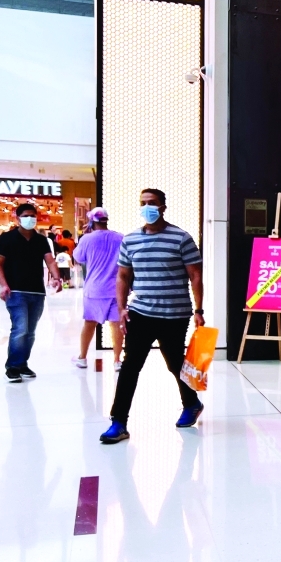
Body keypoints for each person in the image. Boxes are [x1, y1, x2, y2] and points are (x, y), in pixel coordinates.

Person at [100, 189, 205, 444]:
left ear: (163, 207)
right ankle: (118, 422)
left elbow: (195, 275)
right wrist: (122, 308)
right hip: (141, 313)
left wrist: (199, 310)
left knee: (175, 363)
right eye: (143, 203)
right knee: (130, 366)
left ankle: (191, 403)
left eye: (153, 203)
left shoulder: (181, 238)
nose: (147, 207)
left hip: (174, 313)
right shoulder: (131, 240)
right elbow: (122, 276)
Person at [0, 203, 60, 382]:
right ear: (18, 218)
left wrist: (56, 277)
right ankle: (13, 367)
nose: (30, 219)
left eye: (33, 215)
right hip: (15, 291)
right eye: (26, 216)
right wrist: (3, 285)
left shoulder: (41, 240)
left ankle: (22, 363)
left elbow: (50, 261)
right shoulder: (7, 239)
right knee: (20, 328)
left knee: (30, 331)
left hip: (37, 292)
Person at [73, 207, 124, 370]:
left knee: (89, 323)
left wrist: (84, 236)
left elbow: (79, 257)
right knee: (116, 325)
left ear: (91, 222)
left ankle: (82, 357)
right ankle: (117, 360)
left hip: (94, 289)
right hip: (116, 289)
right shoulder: (120, 238)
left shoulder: (87, 239)